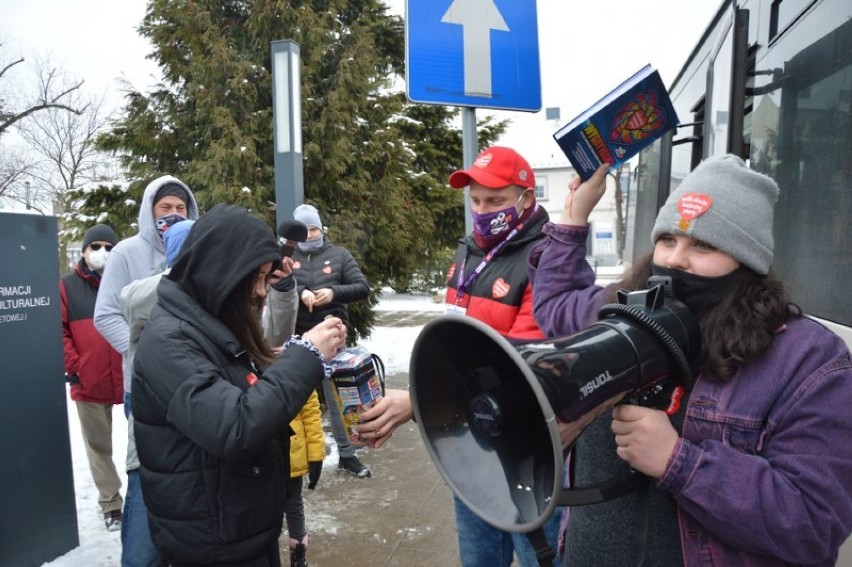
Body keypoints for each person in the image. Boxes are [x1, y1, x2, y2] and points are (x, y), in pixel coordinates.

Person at [527, 155, 852, 566]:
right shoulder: (621, 310)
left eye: (703, 245)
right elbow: (556, 305)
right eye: (667, 240)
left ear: (746, 261)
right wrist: (574, 217)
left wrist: (678, 461)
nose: (675, 260)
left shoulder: (806, 358)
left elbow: (814, 522)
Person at [356, 146, 565, 566]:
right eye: (475, 201)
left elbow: (528, 370)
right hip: (470, 446)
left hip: (529, 452)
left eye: (495, 200)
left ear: (526, 198)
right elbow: (453, 346)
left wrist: (420, 402)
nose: (482, 211)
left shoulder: (548, 258)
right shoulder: (469, 250)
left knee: (540, 557)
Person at [131, 204, 346, 566]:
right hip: (211, 544)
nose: (261, 292)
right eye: (257, 278)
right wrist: (305, 355)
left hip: (237, 529)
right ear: (223, 271)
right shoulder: (170, 342)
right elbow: (235, 425)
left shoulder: (207, 321)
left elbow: (247, 389)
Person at [94, 176, 199, 567]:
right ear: (149, 211)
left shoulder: (197, 251)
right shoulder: (126, 253)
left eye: (180, 209)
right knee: (147, 474)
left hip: (192, 385)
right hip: (143, 388)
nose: (172, 215)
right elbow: (107, 313)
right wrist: (142, 355)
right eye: (164, 208)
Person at [291, 203, 372, 478]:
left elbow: (362, 287)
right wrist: (299, 291)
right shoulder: (288, 256)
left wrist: (332, 292)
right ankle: (299, 456)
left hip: (332, 336)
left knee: (336, 399)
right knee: (296, 399)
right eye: (304, 230)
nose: (309, 234)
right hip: (298, 338)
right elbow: (274, 284)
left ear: (321, 228)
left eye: (313, 228)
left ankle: (347, 454)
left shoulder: (338, 254)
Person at [60, 223, 124, 532]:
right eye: (95, 246)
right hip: (90, 381)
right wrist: (77, 366)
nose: (102, 252)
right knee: (99, 448)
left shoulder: (126, 281)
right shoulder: (66, 286)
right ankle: (111, 504)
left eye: (109, 247)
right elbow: (58, 332)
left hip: (128, 379)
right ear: (84, 250)